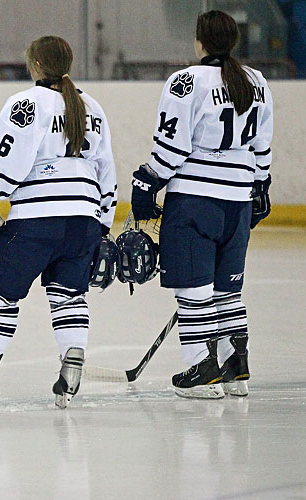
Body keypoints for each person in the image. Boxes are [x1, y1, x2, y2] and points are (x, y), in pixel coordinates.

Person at [0, 36, 117, 409]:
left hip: (37, 220)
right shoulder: (90, 105)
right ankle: (72, 363)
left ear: (35, 65)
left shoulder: (26, 103)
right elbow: (106, 168)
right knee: (69, 295)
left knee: (2, 294)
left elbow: (9, 156)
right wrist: (104, 223)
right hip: (84, 219)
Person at [129, 10, 272, 399]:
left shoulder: (186, 81)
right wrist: (260, 187)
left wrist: (147, 181)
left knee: (193, 288)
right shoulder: (256, 81)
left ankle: (201, 367)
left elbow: (172, 146)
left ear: (199, 41)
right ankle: (234, 366)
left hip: (195, 201)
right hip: (238, 202)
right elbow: (261, 148)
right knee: (227, 291)